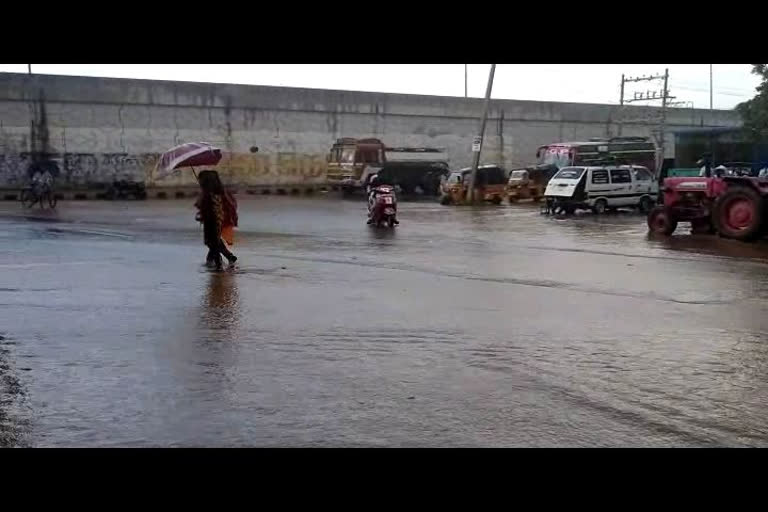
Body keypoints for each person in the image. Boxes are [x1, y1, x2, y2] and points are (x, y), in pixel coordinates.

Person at [195, 170, 238, 270]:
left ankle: (219, 263)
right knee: (214, 241)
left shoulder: (209, 196)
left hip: (212, 221)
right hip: (216, 221)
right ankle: (225, 258)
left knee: (212, 242)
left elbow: (205, 208)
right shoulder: (218, 193)